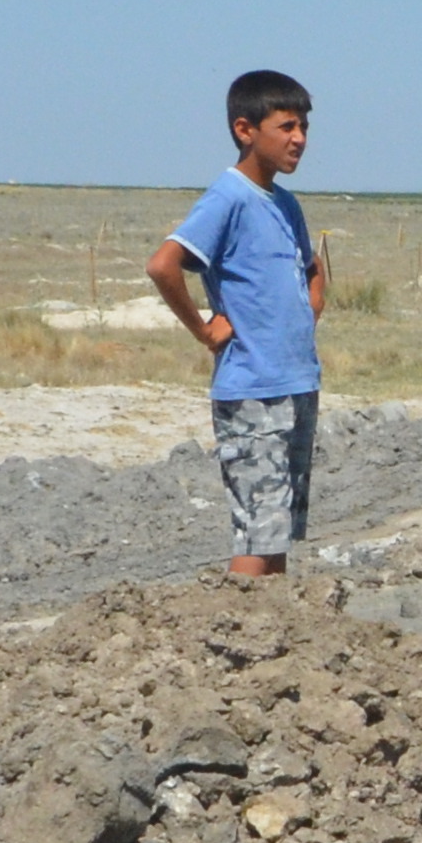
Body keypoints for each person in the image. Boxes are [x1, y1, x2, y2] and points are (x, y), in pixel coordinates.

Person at [149, 71, 328, 580]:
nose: (300, 138)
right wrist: (205, 331)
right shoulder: (228, 197)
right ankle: (232, 631)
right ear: (245, 129)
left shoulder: (285, 202)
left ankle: (272, 638)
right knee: (256, 532)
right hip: (252, 392)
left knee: (277, 533)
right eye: (287, 126)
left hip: (296, 385)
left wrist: (307, 307)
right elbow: (163, 265)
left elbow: (310, 269)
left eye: (305, 127)